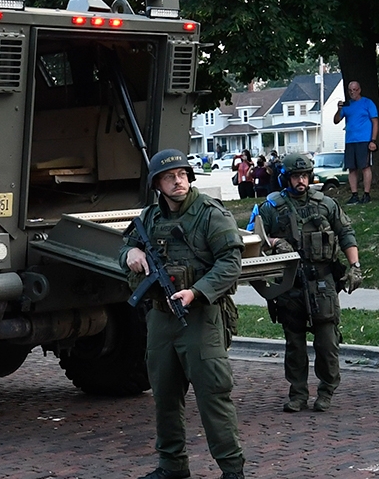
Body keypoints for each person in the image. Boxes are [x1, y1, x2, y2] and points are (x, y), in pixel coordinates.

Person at [120, 149, 246, 479]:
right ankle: (172, 465)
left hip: (200, 318)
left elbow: (231, 263)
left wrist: (197, 291)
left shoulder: (210, 214)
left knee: (213, 395)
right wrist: (131, 253)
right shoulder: (150, 217)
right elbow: (125, 246)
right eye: (169, 177)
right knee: (164, 395)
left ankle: (232, 470)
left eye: (182, 175)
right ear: (157, 184)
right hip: (161, 318)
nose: (178, 182)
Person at [247, 153, 362, 413]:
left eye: (305, 176)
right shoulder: (270, 207)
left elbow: (346, 233)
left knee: (327, 342)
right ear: (285, 178)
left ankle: (326, 390)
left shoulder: (326, 204)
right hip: (290, 283)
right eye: (296, 176)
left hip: (322, 282)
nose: (301, 181)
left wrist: (355, 267)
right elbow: (254, 236)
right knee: (294, 344)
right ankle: (298, 393)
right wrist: (275, 242)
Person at [332, 81, 379, 205]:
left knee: (365, 166)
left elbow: (375, 122)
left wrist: (373, 140)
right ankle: (354, 195)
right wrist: (339, 109)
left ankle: (366, 194)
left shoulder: (367, 103)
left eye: (355, 89)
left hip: (364, 140)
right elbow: (336, 120)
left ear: (359, 90)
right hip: (350, 140)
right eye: (350, 90)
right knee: (351, 168)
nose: (352, 92)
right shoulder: (347, 105)